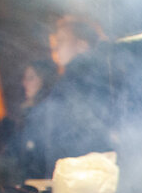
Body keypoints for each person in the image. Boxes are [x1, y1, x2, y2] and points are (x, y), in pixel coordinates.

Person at [20, 15, 115, 178]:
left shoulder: (83, 81)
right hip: (75, 177)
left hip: (82, 179)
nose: (56, 48)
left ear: (82, 45)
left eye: (62, 40)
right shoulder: (71, 80)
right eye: (55, 42)